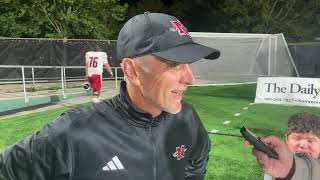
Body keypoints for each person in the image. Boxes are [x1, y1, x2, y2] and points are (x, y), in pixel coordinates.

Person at [0, 12, 220, 180]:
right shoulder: (73, 133)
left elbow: (198, 160)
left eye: (188, 64)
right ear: (132, 71)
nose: (191, 79)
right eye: (174, 65)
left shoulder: (187, 117)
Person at [264, 112, 320, 180]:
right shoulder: (274, 167)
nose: (303, 145)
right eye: (297, 138)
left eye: (310, 140)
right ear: (286, 140)